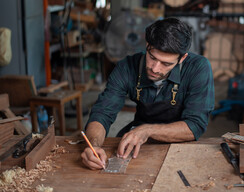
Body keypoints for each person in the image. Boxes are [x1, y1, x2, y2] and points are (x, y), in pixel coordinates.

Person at [81, 18, 214, 170]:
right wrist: (93, 146)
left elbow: (195, 125)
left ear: (182, 58)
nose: (155, 68)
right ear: (147, 45)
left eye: (166, 64)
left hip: (180, 141)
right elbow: (102, 113)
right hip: (137, 140)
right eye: (152, 58)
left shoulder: (198, 68)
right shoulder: (127, 67)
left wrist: (147, 130)